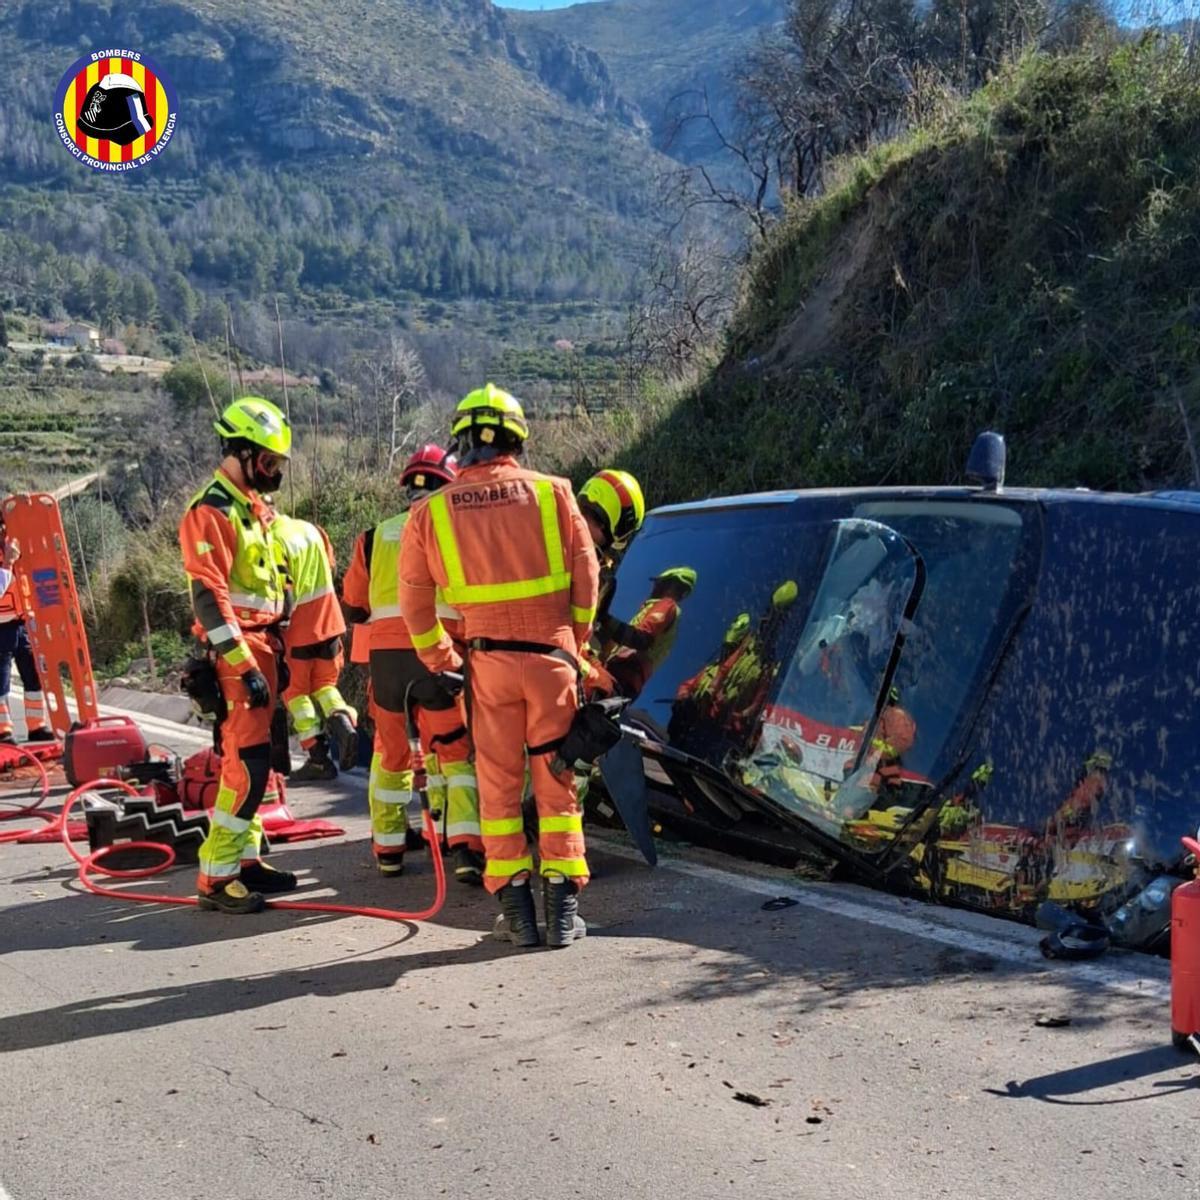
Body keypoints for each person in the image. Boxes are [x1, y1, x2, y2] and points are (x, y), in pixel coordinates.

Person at [399, 384, 599, 948]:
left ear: (462, 440)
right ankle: (562, 913)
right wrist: (572, 643)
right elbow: (587, 581)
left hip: (485, 666)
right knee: (557, 780)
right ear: (516, 439)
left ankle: (517, 915)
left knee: (498, 786)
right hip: (552, 660)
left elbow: (414, 604)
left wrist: (444, 659)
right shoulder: (555, 493)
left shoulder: (431, 511)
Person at [343, 445, 483, 883]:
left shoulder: (373, 536)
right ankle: (462, 848)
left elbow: (355, 606)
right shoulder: (458, 531)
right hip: (437, 654)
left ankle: (389, 850)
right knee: (454, 752)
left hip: (385, 665)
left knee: (390, 754)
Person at [179, 396, 296, 914]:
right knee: (244, 768)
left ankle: (245, 861)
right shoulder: (213, 511)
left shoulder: (254, 511)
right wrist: (245, 667)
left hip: (262, 649)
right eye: (268, 463)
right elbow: (210, 598)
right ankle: (216, 876)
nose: (273, 474)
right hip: (238, 656)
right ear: (242, 452)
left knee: (257, 764)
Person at [271, 513, 357, 782]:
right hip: (330, 624)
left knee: (295, 694)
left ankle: (318, 758)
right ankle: (341, 718)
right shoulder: (311, 529)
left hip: (297, 632)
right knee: (325, 686)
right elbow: (331, 569)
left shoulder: (271, 540)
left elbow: (280, 596)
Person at [606, 566, 697, 700]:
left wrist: (604, 619)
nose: (654, 587)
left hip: (621, 676)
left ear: (668, 583)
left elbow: (641, 639)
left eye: (657, 582)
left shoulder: (667, 605)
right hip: (624, 680)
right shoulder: (660, 610)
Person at [0, 515, 51, 744]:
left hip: (23, 623)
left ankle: (36, 726)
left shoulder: (13, 543)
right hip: (1, 626)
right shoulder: (8, 554)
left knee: (33, 675)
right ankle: (3, 730)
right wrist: (8, 563)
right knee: (1, 681)